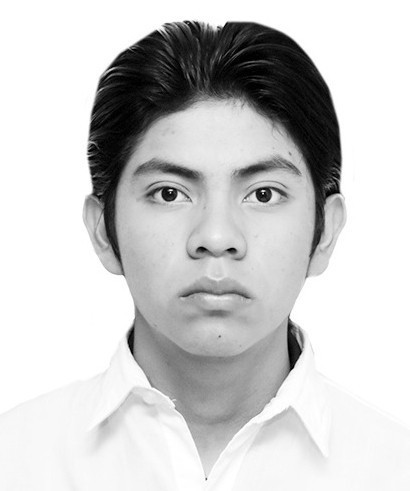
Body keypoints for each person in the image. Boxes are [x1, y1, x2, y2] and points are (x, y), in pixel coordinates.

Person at [0, 20, 409, 490]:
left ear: (326, 232)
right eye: (169, 193)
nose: (216, 237)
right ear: (102, 230)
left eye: (264, 194)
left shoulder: (395, 470)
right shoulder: (15, 461)